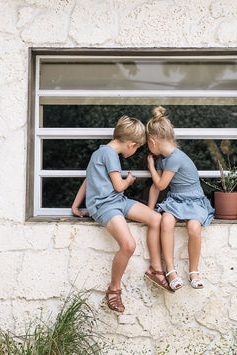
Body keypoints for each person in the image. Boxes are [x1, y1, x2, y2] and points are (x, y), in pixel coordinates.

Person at [71, 115, 172, 313]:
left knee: (156, 218)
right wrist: (129, 180)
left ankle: (154, 269)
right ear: (130, 144)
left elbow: (87, 180)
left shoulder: (100, 152)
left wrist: (76, 205)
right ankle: (114, 290)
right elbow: (118, 186)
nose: (134, 152)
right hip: (105, 206)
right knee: (128, 245)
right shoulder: (109, 155)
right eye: (136, 148)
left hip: (118, 202)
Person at [146, 106, 214, 290]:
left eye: (147, 143)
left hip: (193, 200)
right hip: (176, 199)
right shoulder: (163, 158)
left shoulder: (175, 158)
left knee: (193, 228)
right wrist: (149, 210)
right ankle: (171, 271)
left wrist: (150, 166)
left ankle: (194, 271)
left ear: (152, 141)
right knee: (166, 222)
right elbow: (155, 186)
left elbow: (160, 184)